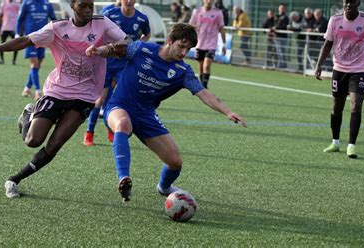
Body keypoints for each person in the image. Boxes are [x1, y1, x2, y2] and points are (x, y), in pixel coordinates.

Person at [0, 0, 127, 198]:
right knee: (33, 140)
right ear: (73, 6)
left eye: (90, 5)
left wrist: (107, 49)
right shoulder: (57, 28)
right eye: (83, 6)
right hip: (57, 91)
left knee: (55, 144)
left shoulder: (102, 23)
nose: (88, 10)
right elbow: (25, 40)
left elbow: (125, 43)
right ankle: (28, 113)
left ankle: (15, 179)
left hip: (85, 95)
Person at [85, 23, 247, 202]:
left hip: (146, 115)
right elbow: (116, 49)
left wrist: (228, 112)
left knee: (175, 162)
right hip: (119, 106)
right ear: (170, 41)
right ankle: (124, 178)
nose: (184, 53)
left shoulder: (182, 71)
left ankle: (164, 187)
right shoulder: (142, 49)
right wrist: (99, 51)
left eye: (188, 49)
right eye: (181, 46)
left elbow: (205, 94)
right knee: (123, 124)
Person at [315, 0, 364, 159]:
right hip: (339, 69)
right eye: (346, 1)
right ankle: (335, 142)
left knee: (355, 105)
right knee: (336, 107)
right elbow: (327, 44)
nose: (348, 4)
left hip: (361, 69)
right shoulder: (335, 20)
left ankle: (351, 146)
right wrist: (319, 65)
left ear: (358, 2)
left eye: (352, 1)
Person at [83, 0, 151, 146]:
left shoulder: (142, 18)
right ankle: (89, 133)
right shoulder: (109, 14)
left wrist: (138, 44)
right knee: (100, 100)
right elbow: (96, 28)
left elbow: (147, 33)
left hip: (125, 65)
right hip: (106, 63)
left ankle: (112, 129)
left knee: (118, 99)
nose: (128, 1)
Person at [16, 0, 56, 100]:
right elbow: (20, 19)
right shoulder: (27, 3)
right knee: (34, 64)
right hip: (30, 39)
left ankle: (27, 88)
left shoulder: (47, 4)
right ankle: (38, 91)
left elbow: (54, 20)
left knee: (37, 65)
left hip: (44, 38)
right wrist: (17, 34)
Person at [189, 0, 226, 89]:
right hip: (199, 43)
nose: (209, 1)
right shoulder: (197, 12)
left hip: (211, 44)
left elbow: (221, 29)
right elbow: (190, 26)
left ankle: (204, 86)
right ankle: (202, 86)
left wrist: (224, 44)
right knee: (201, 67)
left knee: (207, 65)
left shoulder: (218, 13)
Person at [0, 0, 21, 65]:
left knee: (16, 45)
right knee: (2, 44)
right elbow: (0, 15)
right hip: (5, 27)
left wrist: (21, 27)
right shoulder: (3, 3)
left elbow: (21, 16)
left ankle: (14, 60)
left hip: (14, 28)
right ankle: (1, 59)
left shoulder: (17, 4)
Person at [272, 3, 289, 69]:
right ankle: (280, 64)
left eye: (283, 8)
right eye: (280, 8)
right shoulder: (276, 16)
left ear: (285, 9)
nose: (281, 9)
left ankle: (283, 65)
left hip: (282, 37)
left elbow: (284, 26)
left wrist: (276, 28)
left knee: (282, 51)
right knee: (277, 51)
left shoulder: (286, 17)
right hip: (276, 36)